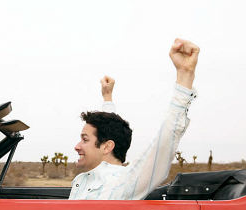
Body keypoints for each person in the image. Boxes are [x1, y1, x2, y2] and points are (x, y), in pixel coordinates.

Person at [69, 38, 199, 200]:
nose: (77, 146)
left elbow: (163, 144)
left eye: (84, 139)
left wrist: (185, 75)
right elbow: (109, 132)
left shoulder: (125, 182)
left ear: (107, 147)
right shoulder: (83, 179)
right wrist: (107, 98)